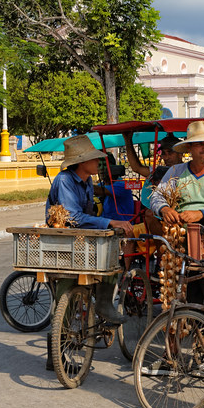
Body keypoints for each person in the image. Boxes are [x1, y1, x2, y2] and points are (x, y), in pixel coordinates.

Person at [46, 134, 134, 324]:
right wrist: (109, 222)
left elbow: (88, 213)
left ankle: (104, 304)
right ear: (82, 162)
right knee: (68, 278)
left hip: (82, 234)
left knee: (111, 258)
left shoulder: (86, 181)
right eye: (94, 159)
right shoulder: (65, 180)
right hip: (64, 237)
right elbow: (72, 217)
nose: (98, 163)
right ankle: (61, 328)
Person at [123, 132, 183, 225]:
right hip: (161, 214)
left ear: (180, 153)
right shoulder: (158, 172)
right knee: (150, 214)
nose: (166, 157)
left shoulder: (188, 170)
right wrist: (128, 141)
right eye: (164, 153)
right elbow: (136, 168)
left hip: (182, 213)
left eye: (170, 153)